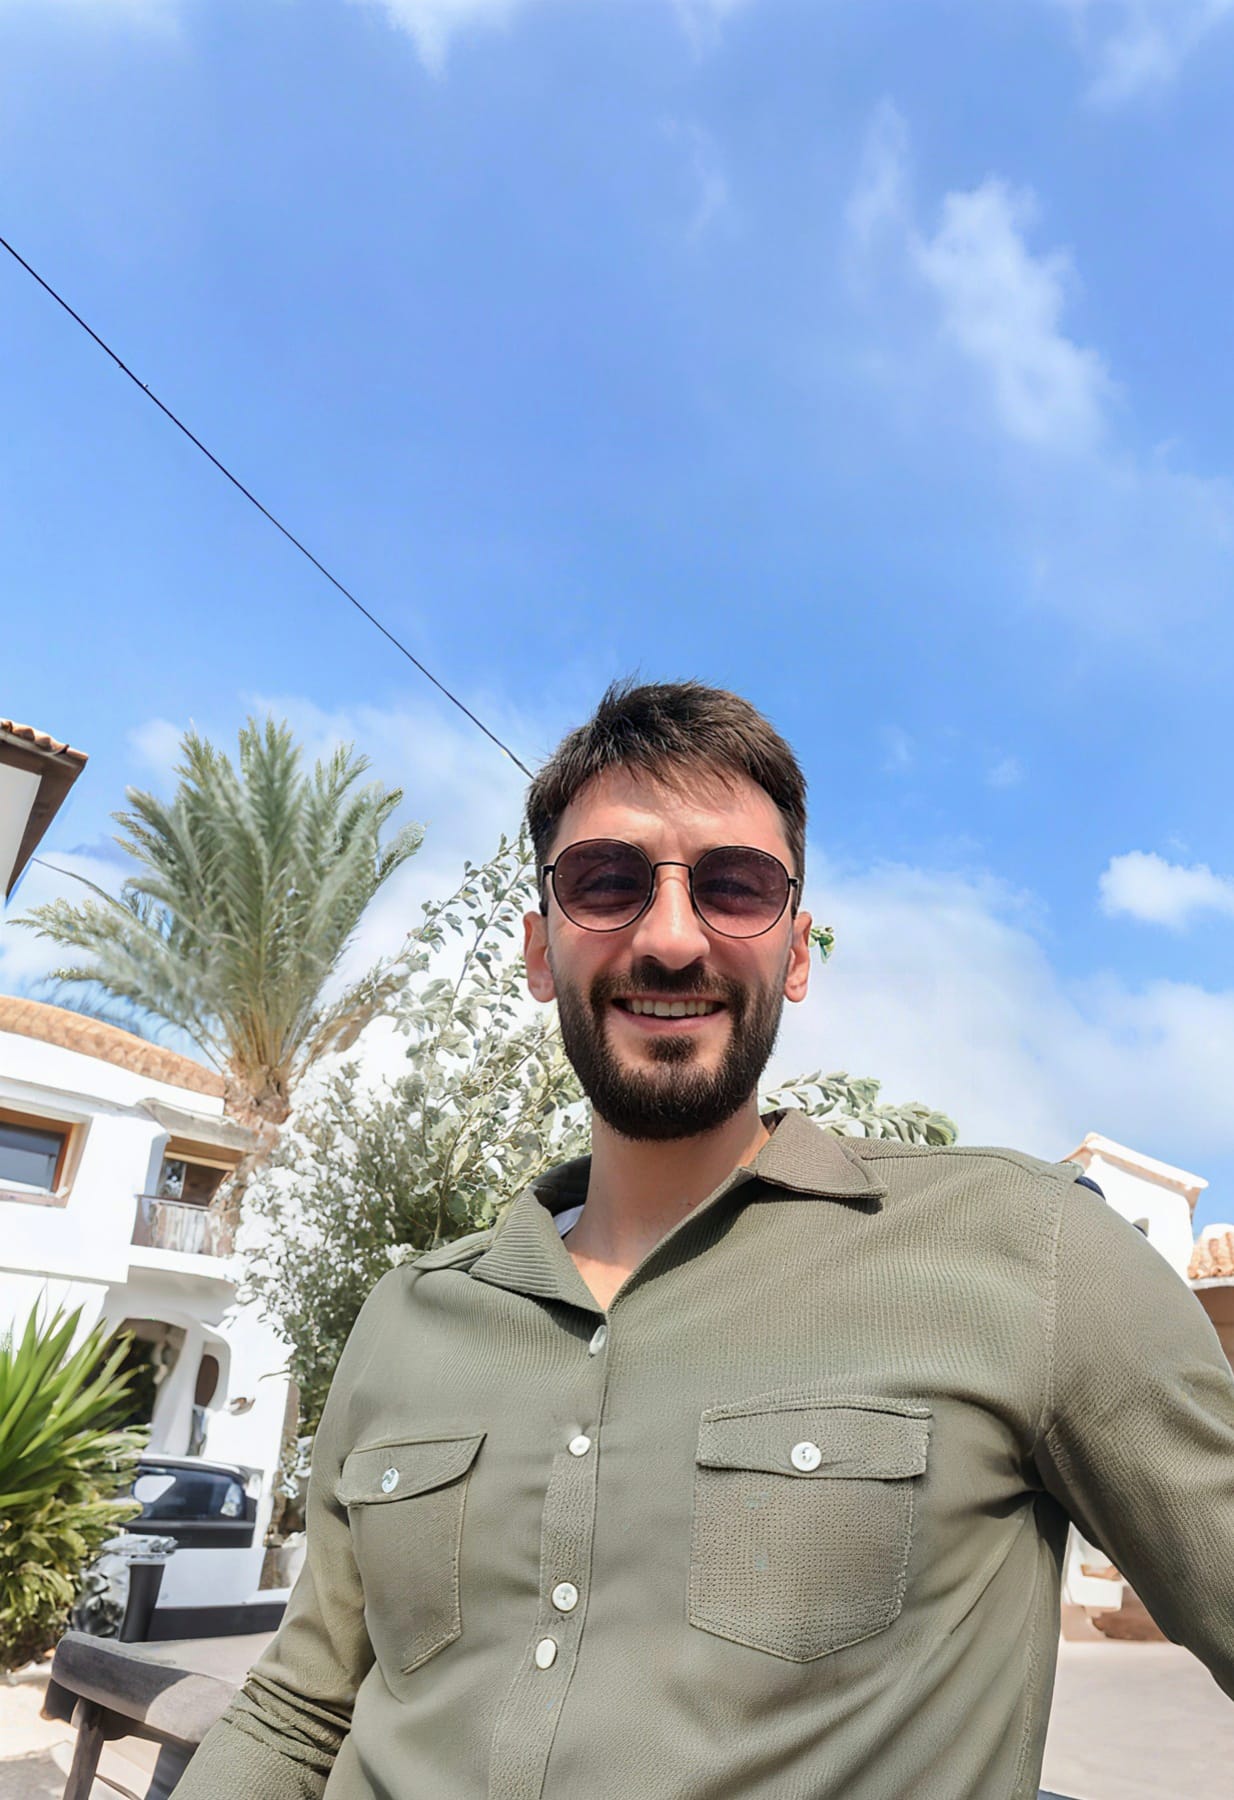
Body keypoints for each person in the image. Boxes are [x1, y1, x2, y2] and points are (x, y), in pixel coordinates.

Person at [171, 680, 1234, 1800]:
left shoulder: (1031, 1252)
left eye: (734, 886)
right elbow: (299, 1715)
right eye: (606, 883)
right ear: (539, 953)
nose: (672, 938)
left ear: (798, 953)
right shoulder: (407, 1318)